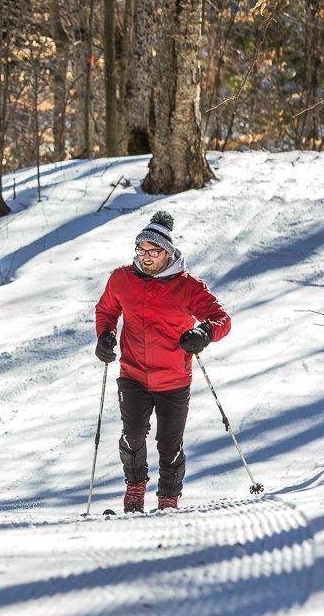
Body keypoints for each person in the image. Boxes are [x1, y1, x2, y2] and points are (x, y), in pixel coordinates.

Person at [94, 210, 231, 512]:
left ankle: (169, 498)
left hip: (173, 379)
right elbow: (106, 310)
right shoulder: (122, 278)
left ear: (167, 253)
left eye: (152, 251)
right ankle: (135, 486)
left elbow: (222, 319)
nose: (145, 257)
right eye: (140, 250)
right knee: (132, 436)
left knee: (169, 445)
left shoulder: (188, 286)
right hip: (133, 374)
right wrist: (104, 336)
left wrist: (204, 333)